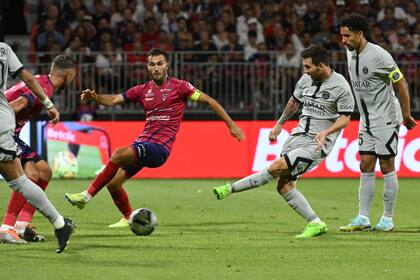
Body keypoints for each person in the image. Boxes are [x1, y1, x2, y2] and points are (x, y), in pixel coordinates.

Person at [65, 48, 245, 227]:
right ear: (147, 67)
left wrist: (231, 125)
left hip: (159, 148)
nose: (156, 68)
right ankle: (128, 217)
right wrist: (95, 97)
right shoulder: (142, 90)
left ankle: (86, 196)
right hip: (143, 143)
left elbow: (209, 101)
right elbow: (113, 100)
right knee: (113, 184)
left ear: (167, 65)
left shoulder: (180, 87)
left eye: (160, 63)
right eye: (152, 64)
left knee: (119, 153)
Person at [213, 45, 355, 238]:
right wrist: (279, 124)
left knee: (277, 167)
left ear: (321, 65)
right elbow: (294, 101)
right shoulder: (306, 79)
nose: (304, 71)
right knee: (284, 186)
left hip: (316, 144)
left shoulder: (341, 86)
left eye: (308, 67)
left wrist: (327, 132)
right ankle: (316, 223)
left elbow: (346, 118)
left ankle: (230, 188)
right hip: (297, 136)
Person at [338, 13, 416, 232]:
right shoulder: (350, 51)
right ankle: (363, 217)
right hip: (366, 119)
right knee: (365, 165)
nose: (343, 40)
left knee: (387, 165)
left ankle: (388, 219)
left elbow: (401, 84)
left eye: (347, 36)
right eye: (342, 36)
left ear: (360, 34)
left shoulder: (380, 56)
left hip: (386, 118)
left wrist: (406, 114)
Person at [0, 42, 75, 253]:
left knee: (44, 171)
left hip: (10, 130)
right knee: (30, 173)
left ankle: (22, 225)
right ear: (69, 77)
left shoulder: (43, 81)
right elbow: (20, 104)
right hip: (6, 131)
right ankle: (7, 226)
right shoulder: (45, 88)